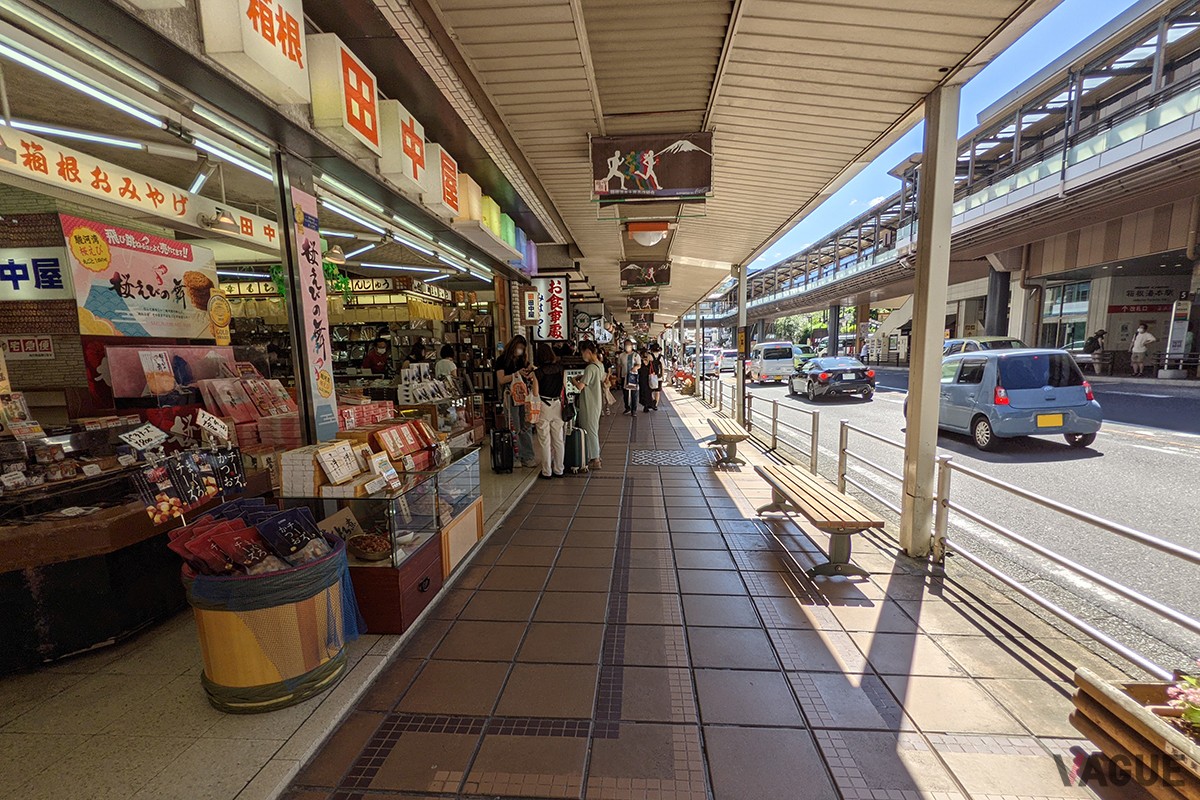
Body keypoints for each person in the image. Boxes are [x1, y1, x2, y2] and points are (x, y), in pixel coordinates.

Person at [495, 335, 537, 468]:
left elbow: (532, 369)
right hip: (510, 395)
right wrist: (516, 374)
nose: (519, 351)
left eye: (522, 349)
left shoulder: (522, 360)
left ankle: (528, 456)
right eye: (518, 348)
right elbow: (501, 379)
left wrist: (530, 372)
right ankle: (514, 457)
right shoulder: (501, 360)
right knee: (513, 426)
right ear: (513, 346)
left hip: (523, 396)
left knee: (526, 425)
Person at [531, 343, 566, 479]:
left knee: (545, 440)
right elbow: (562, 386)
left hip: (544, 407)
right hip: (557, 405)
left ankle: (547, 471)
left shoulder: (537, 373)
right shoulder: (560, 369)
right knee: (558, 440)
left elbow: (535, 393)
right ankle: (559, 469)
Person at [573, 341, 604, 471]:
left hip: (589, 403)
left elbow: (580, 386)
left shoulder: (590, 368)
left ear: (588, 352)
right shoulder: (599, 365)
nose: (582, 355)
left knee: (590, 431)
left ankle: (596, 459)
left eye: (582, 352)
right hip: (596, 402)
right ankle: (592, 455)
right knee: (593, 429)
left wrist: (573, 380)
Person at [617, 339, 638, 415]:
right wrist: (618, 376)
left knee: (634, 394)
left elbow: (639, 364)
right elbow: (619, 366)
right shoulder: (621, 355)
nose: (627, 347)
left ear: (632, 346)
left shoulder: (635, 355)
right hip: (624, 376)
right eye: (626, 345)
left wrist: (635, 368)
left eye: (629, 345)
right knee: (625, 393)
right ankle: (627, 407)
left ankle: (634, 410)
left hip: (633, 376)